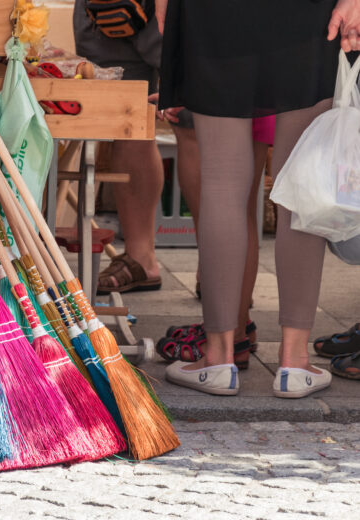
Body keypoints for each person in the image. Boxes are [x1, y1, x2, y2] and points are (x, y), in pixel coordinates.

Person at [157, 0, 360, 398]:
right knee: (301, 183)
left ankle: (217, 358)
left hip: (214, 15)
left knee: (221, 182)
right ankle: (294, 362)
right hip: (309, 15)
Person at [154, 114, 273, 368]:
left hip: (225, 84)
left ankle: (225, 341)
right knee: (244, 205)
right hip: (271, 85)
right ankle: (237, 328)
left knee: (227, 200)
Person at [74, 2, 169, 295]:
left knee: (197, 123)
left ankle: (220, 272)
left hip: (183, 12)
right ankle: (141, 258)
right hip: (109, 11)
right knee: (128, 118)